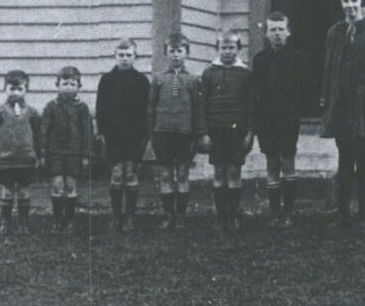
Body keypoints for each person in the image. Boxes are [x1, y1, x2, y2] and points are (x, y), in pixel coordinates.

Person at [321, 0, 365, 228]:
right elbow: (328, 69)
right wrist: (326, 100)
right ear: (341, 5)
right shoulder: (334, 33)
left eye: (354, 1)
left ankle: (364, 213)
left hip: (364, 107)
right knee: (344, 160)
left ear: (362, 2)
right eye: (346, 2)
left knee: (364, 159)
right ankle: (342, 213)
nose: (350, 6)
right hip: (341, 105)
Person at [250, 11, 311, 227]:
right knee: (271, 163)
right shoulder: (259, 60)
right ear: (266, 33)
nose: (277, 34)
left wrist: (295, 112)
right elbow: (255, 92)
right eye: (272, 30)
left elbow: (304, 90)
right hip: (267, 120)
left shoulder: (297, 58)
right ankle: (274, 212)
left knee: (287, 161)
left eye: (280, 29)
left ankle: (288, 212)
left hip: (287, 118)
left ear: (288, 32)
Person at [200, 28, 256, 230]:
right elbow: (203, 105)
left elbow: (251, 105)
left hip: (237, 129)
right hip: (215, 128)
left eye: (232, 47)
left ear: (238, 49)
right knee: (219, 171)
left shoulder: (246, 74)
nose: (228, 51)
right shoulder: (209, 73)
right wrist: (204, 133)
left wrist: (250, 132)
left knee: (234, 171)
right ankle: (220, 216)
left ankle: (233, 216)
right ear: (217, 49)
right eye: (224, 47)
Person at [148, 32, 205, 228]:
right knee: (165, 174)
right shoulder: (158, 79)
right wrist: (151, 133)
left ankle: (180, 215)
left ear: (186, 53)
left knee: (182, 174)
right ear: (166, 53)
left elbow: (198, 109)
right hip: (162, 132)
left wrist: (198, 135)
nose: (175, 55)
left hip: (184, 134)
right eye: (171, 51)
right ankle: (168, 215)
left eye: (179, 51)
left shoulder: (193, 80)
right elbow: (151, 108)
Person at [95, 40, 150, 232]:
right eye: (121, 55)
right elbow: (100, 108)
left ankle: (129, 217)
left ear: (135, 57)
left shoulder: (142, 81)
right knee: (117, 174)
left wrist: (146, 136)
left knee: (131, 173)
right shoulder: (107, 80)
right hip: (113, 136)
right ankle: (116, 216)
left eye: (128, 55)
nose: (124, 59)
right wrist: (101, 132)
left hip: (135, 136)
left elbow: (147, 111)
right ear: (115, 56)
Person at [0, 69, 43, 237]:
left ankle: (24, 223)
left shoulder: (32, 112)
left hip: (26, 160)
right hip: (6, 160)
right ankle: (6, 222)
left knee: (25, 192)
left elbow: (38, 135)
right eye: (12, 88)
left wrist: (39, 155)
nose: (16, 93)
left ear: (26, 90)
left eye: (20, 89)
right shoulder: (0, 112)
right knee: (7, 191)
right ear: (5, 89)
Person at [41, 65, 93, 236]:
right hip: (55, 153)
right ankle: (57, 220)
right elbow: (44, 131)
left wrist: (86, 155)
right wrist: (43, 152)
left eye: (72, 84)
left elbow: (87, 133)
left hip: (74, 154)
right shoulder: (51, 107)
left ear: (79, 86)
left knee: (71, 187)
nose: (68, 87)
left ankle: (70, 220)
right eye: (64, 83)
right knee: (57, 186)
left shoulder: (82, 108)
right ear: (58, 85)